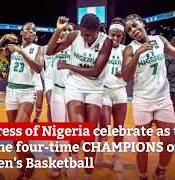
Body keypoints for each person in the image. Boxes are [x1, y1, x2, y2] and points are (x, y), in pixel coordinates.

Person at [121, 14, 175, 180]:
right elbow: (126, 76)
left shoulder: (160, 40)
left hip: (163, 100)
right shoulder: (130, 49)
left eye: (135, 25)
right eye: (129, 30)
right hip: (142, 102)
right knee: (142, 146)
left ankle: (161, 169)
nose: (133, 30)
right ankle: (143, 176)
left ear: (142, 23)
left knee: (169, 142)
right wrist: (138, 54)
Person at [46, 14, 113, 179]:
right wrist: (58, 30)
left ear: (97, 30)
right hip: (74, 86)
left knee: (89, 135)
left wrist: (69, 66)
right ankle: (73, 158)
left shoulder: (106, 41)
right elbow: (49, 51)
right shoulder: (75, 35)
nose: (84, 37)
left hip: (95, 89)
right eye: (83, 33)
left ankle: (88, 174)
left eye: (88, 34)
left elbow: (96, 72)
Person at [0, 22, 43, 180]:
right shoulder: (11, 48)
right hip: (11, 91)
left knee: (18, 129)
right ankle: (23, 165)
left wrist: (21, 51)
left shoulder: (38, 49)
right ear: (21, 31)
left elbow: (38, 68)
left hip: (27, 91)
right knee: (14, 135)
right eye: (28, 29)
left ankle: (30, 158)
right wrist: (4, 38)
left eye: (34, 29)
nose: (31, 31)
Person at [44, 22, 77, 179]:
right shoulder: (51, 49)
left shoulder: (79, 48)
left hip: (75, 93)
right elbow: (48, 75)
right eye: (64, 30)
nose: (66, 32)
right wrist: (49, 96)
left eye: (70, 30)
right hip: (57, 91)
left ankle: (71, 160)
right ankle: (58, 159)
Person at [97, 18, 127, 172]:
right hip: (104, 90)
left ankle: (117, 156)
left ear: (123, 36)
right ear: (108, 34)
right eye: (112, 35)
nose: (115, 38)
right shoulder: (101, 47)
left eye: (119, 36)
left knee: (119, 127)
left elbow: (132, 71)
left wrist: (126, 73)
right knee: (105, 124)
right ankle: (101, 152)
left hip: (120, 90)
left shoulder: (126, 50)